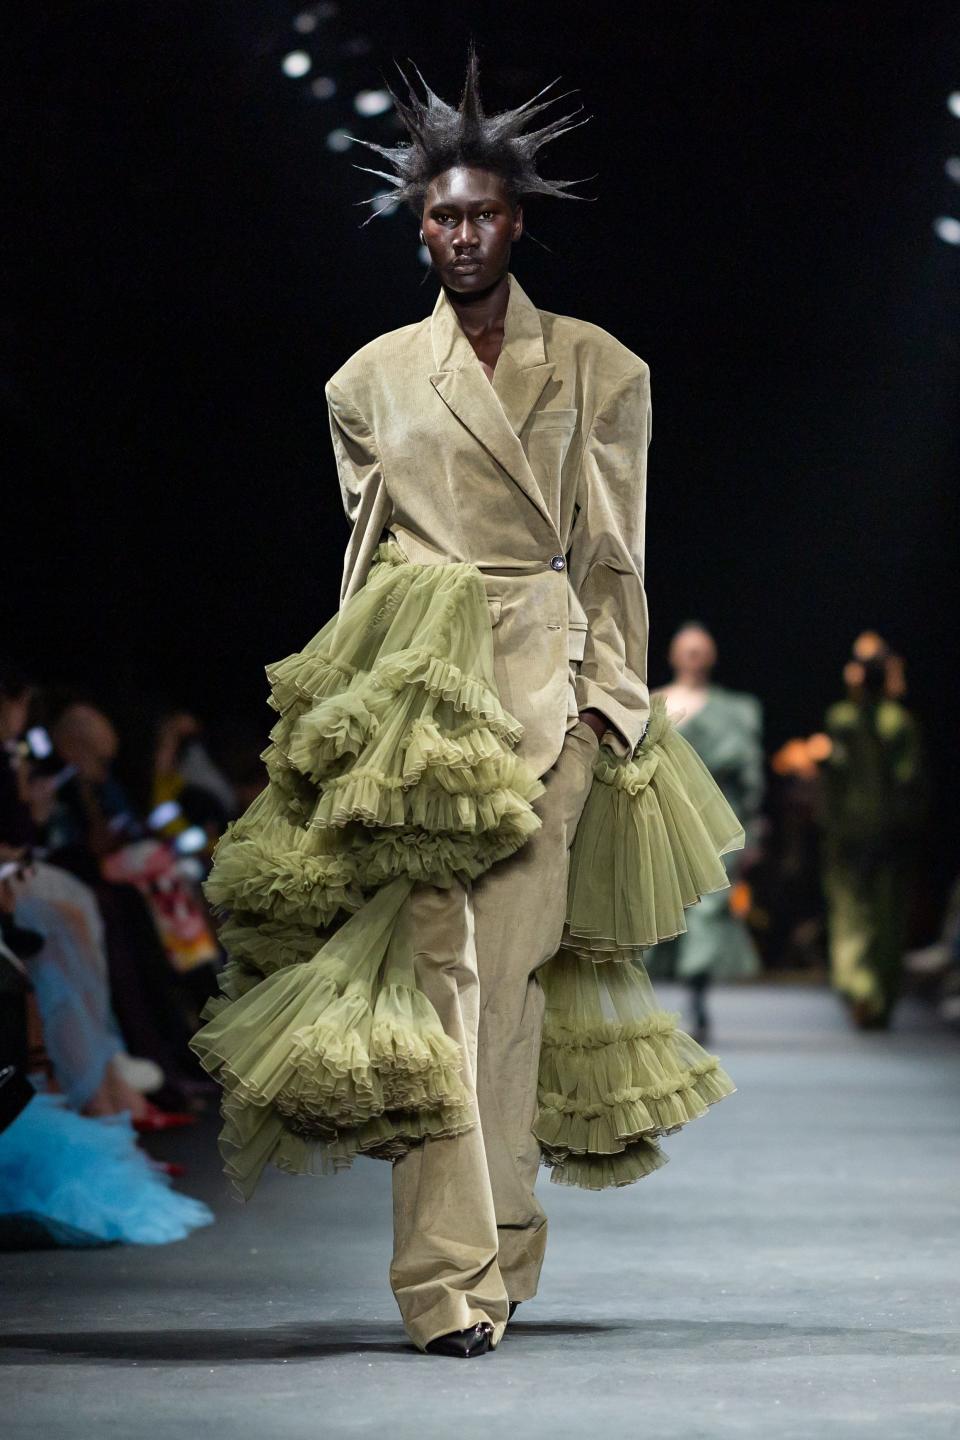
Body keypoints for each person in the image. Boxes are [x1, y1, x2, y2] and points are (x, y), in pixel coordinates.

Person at [191, 50, 741, 1359]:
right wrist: (341, 719)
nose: (460, 232)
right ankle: (446, 1283)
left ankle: (501, 1245)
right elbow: (365, 557)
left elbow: (617, 552)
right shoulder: (369, 380)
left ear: (516, 220)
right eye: (440, 214)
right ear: (419, 225)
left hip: (544, 687)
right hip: (423, 704)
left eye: (481, 212)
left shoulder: (600, 367)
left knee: (512, 983)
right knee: (446, 972)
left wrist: (613, 694)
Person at [654, 624, 764, 1041]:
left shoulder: (737, 711)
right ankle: (660, 1002)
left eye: (702, 650)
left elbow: (750, 773)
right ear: (673, 656)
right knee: (666, 908)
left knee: (709, 908)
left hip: (719, 819)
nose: (695, 658)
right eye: (688, 650)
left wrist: (752, 828)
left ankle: (697, 993)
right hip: (665, 818)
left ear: (712, 657)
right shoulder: (653, 704)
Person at [820, 636, 926, 1029]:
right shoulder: (896, 722)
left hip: (853, 832)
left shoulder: (844, 719)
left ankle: (860, 986)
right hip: (887, 833)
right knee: (886, 916)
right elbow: (911, 783)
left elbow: (835, 781)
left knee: (852, 913)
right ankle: (878, 995)